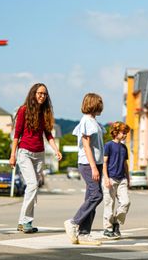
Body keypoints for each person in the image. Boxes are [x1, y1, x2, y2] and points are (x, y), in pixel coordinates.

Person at [9, 83, 62, 234]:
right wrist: (13, 155)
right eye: (39, 93)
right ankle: (26, 222)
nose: (42, 96)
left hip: (39, 155)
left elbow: (49, 135)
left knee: (33, 188)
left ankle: (22, 222)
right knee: (32, 185)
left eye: (45, 94)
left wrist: (56, 150)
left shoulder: (45, 112)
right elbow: (16, 135)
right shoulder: (23, 110)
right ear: (33, 94)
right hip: (24, 152)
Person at [64, 93, 105, 246]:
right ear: (94, 104)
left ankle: (84, 233)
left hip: (96, 164)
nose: (102, 106)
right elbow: (86, 146)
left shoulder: (94, 121)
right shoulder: (87, 121)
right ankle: (74, 222)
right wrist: (94, 167)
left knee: (90, 198)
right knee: (96, 195)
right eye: (100, 103)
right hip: (89, 164)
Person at [102, 121, 131, 239]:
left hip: (122, 179)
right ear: (115, 132)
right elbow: (104, 163)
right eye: (123, 133)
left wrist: (128, 178)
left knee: (126, 202)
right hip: (111, 179)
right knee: (109, 205)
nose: (125, 135)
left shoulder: (124, 147)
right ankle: (107, 229)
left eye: (126, 133)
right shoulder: (108, 145)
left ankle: (116, 223)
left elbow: (125, 164)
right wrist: (106, 178)